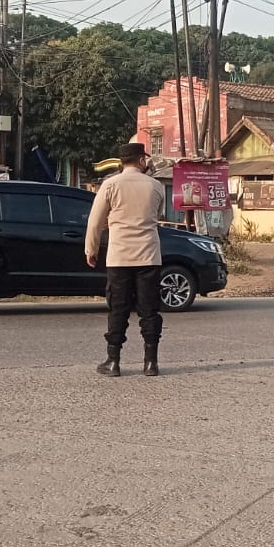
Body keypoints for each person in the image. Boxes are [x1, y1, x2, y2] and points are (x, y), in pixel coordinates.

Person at [86, 142, 168, 377]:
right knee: (149, 310)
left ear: (122, 161)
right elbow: (157, 215)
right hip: (149, 256)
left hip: (119, 257)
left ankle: (113, 362)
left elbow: (95, 222)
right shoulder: (156, 186)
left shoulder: (110, 185)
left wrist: (91, 250)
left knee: (118, 309)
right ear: (141, 160)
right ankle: (150, 363)